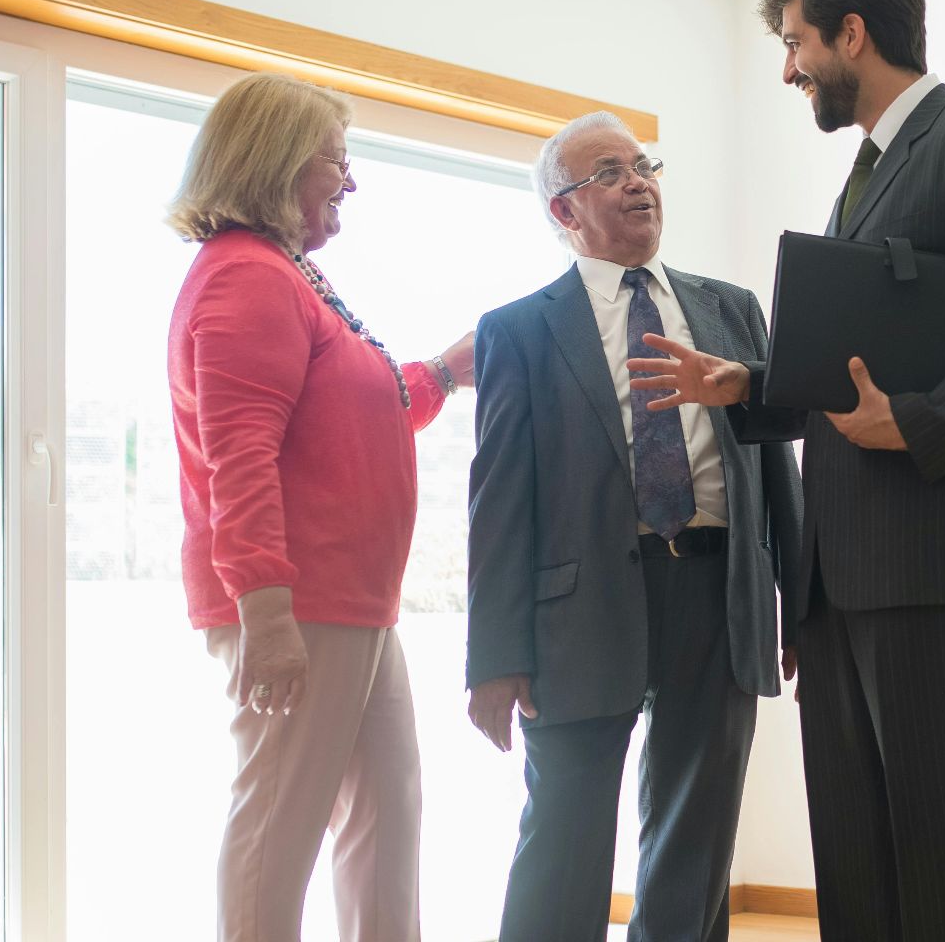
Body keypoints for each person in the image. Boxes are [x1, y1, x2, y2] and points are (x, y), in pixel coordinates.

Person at [628, 0, 945, 941]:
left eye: (796, 43)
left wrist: (914, 424)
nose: (788, 69)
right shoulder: (867, 175)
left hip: (929, 556)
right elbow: (859, 364)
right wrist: (748, 385)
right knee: (853, 842)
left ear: (852, 33)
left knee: (943, 834)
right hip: (841, 571)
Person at [464, 111, 802, 942]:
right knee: (564, 835)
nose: (637, 183)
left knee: (697, 834)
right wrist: (495, 656)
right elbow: (499, 501)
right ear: (563, 210)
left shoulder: (731, 309)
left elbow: (775, 466)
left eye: (643, 165)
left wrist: (801, 604)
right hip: (578, 611)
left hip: (719, 593)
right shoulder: (520, 329)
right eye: (608, 173)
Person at [165, 71, 475, 942]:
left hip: (354, 604)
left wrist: (444, 372)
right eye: (336, 160)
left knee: (387, 817)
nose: (351, 180)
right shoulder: (244, 277)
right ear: (276, 162)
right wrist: (266, 617)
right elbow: (239, 459)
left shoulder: (289, 275)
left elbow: (359, 415)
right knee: (279, 824)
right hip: (298, 602)